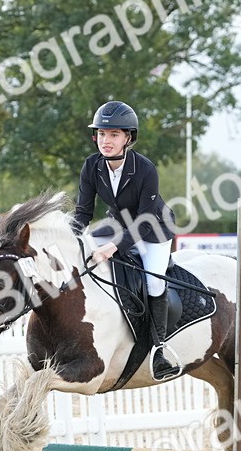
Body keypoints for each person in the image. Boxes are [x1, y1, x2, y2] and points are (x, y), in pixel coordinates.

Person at [73, 100, 180, 380]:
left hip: (153, 230)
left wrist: (114, 246)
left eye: (114, 135)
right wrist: (72, 240)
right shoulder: (91, 166)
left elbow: (145, 220)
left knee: (154, 280)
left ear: (128, 138)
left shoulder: (145, 169)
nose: (106, 141)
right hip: (118, 225)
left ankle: (160, 348)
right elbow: (83, 212)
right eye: (102, 134)